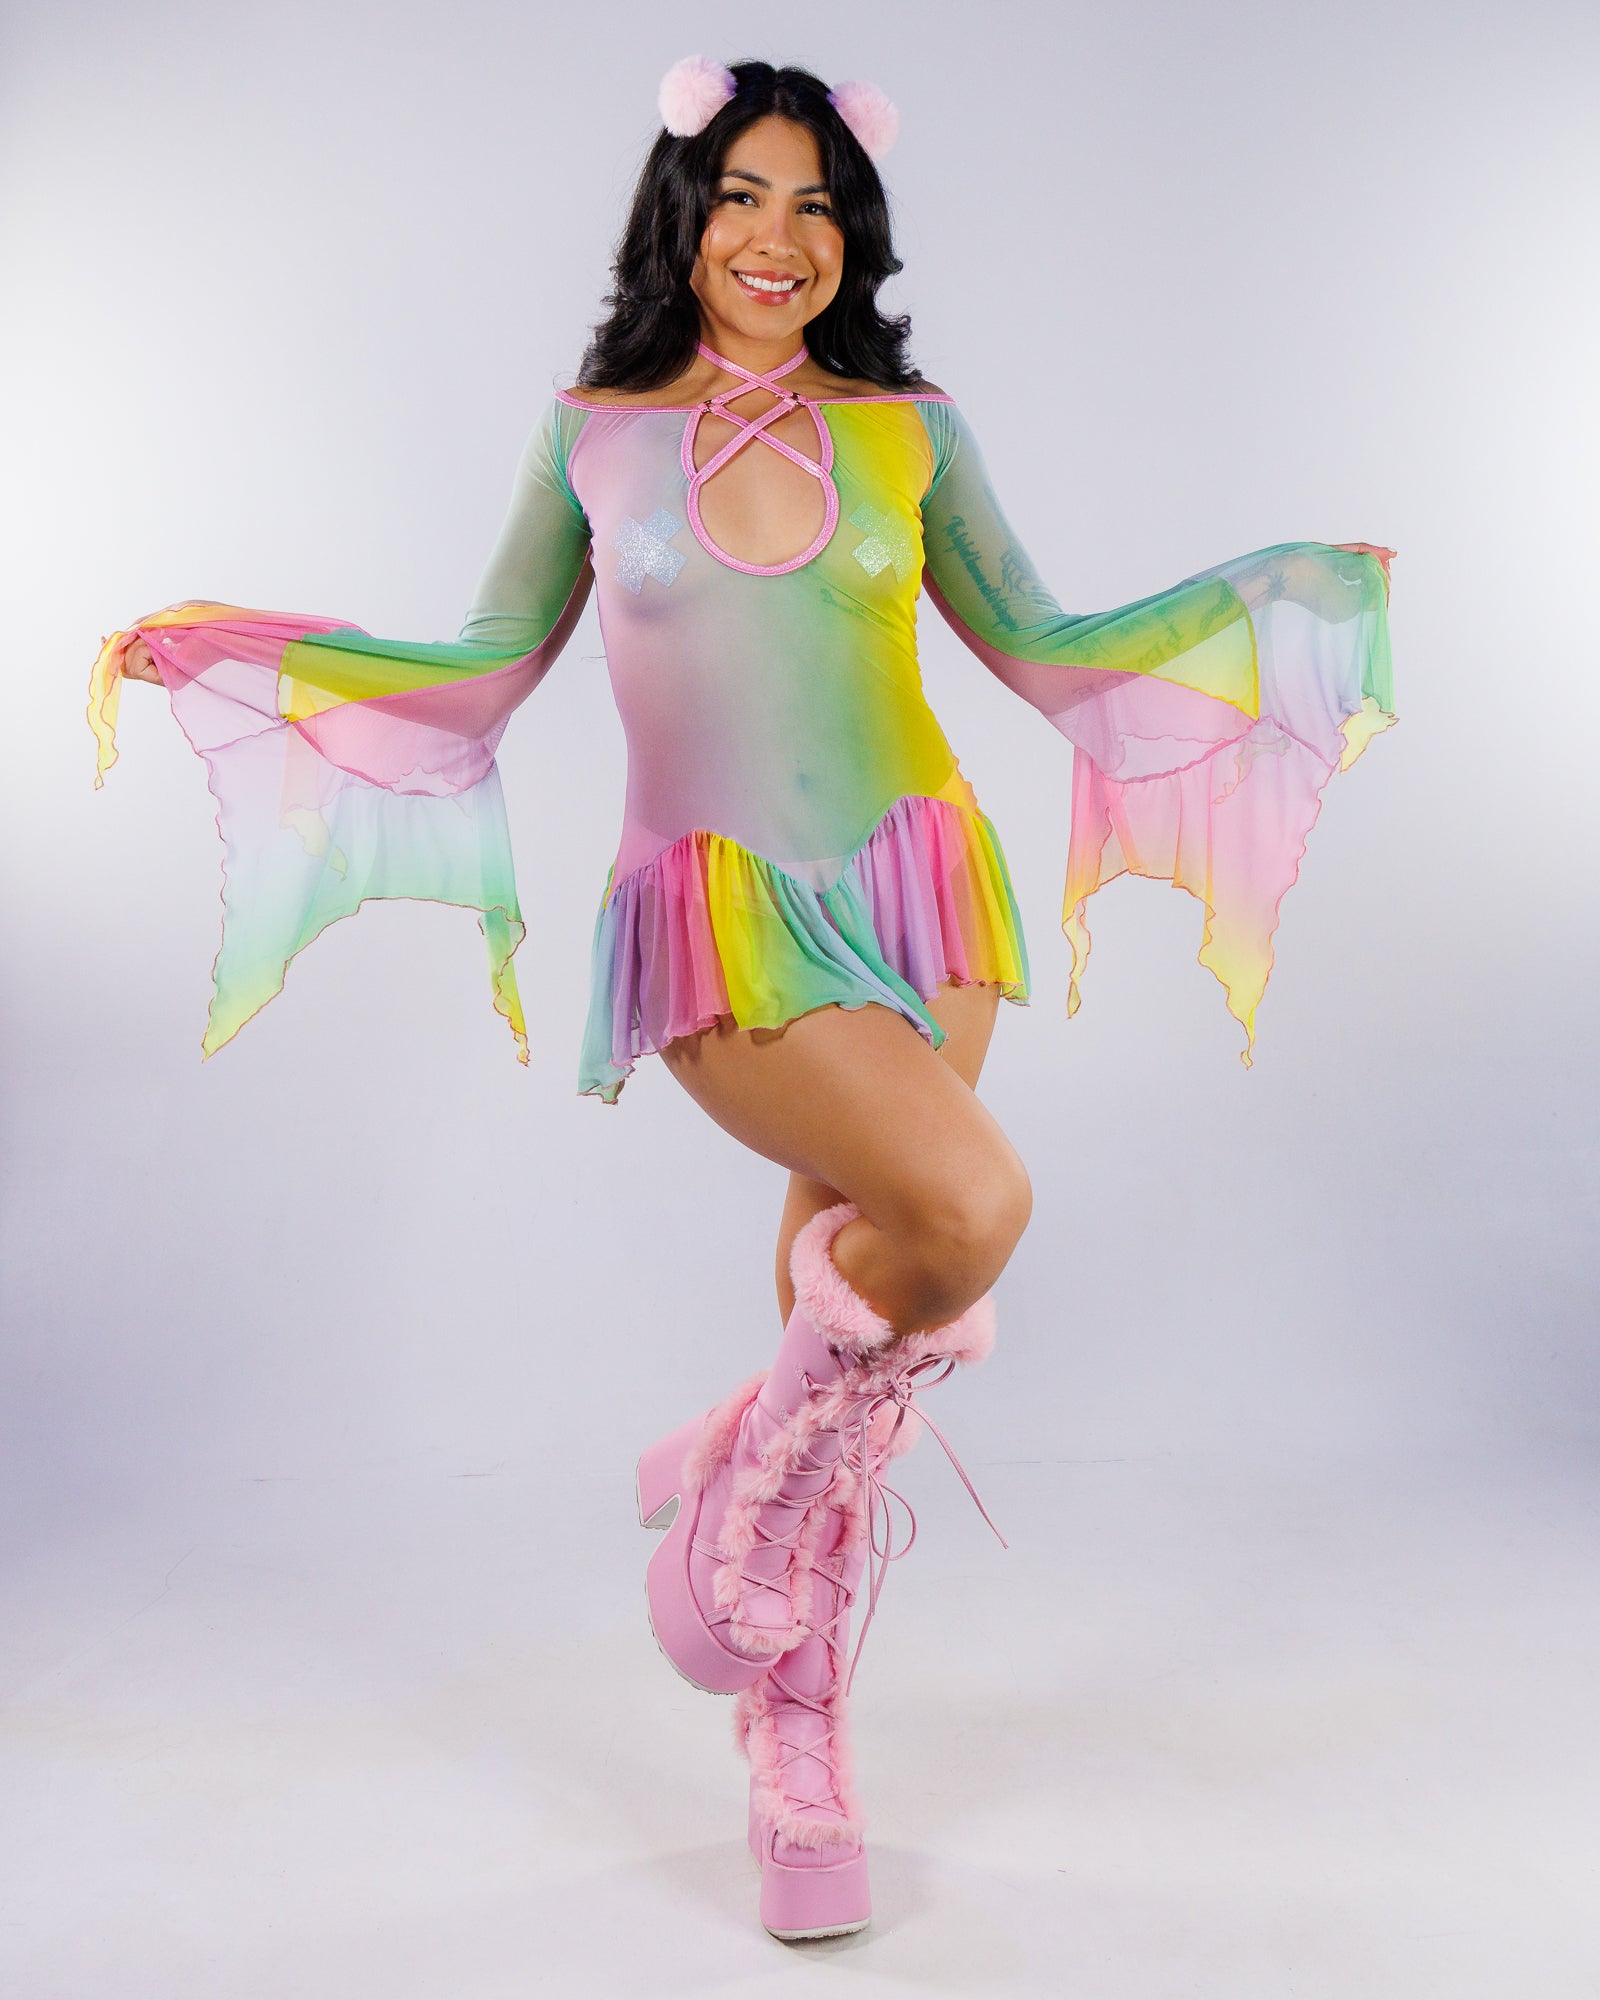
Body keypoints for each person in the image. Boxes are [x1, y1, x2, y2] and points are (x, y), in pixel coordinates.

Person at [92, 55, 1396, 1945]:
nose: (779, 239)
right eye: (741, 197)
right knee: (965, 1211)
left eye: (816, 205)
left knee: (860, 1317)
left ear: (852, 235)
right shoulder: (592, 435)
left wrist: (1275, 596)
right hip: (715, 912)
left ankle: (797, 1732)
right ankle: (732, 1504)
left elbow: (1048, 649)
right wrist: (258, 657)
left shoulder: (911, 431)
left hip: (922, 885)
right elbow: (478, 671)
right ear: (682, 217)